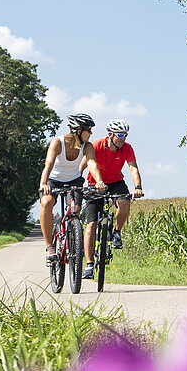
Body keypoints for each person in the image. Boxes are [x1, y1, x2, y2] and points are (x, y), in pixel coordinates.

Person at [82, 118, 145, 278]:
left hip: (116, 181)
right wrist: (76, 182)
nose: (123, 138)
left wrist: (137, 187)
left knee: (124, 201)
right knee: (91, 224)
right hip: (95, 183)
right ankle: (89, 264)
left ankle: (116, 232)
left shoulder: (127, 148)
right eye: (120, 134)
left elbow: (133, 168)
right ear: (110, 134)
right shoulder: (97, 145)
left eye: (125, 135)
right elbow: (84, 164)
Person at [37, 112, 97, 252]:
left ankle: (73, 238)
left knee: (75, 210)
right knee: (46, 203)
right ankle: (50, 247)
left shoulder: (87, 146)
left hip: (74, 180)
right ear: (79, 130)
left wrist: (99, 181)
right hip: (54, 179)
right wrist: (43, 183)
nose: (91, 133)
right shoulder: (58, 143)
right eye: (88, 130)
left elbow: (92, 164)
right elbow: (49, 164)